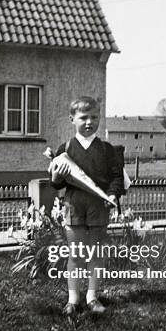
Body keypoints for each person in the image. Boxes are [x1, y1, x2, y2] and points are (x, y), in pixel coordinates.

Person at [50, 96, 124, 316]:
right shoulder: (65, 148)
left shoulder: (107, 149)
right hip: (74, 206)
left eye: (94, 117)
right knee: (75, 255)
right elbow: (58, 184)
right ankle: (73, 300)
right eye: (83, 117)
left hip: (98, 206)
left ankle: (92, 296)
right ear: (72, 119)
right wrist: (55, 175)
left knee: (95, 253)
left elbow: (117, 177)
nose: (89, 122)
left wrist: (111, 194)